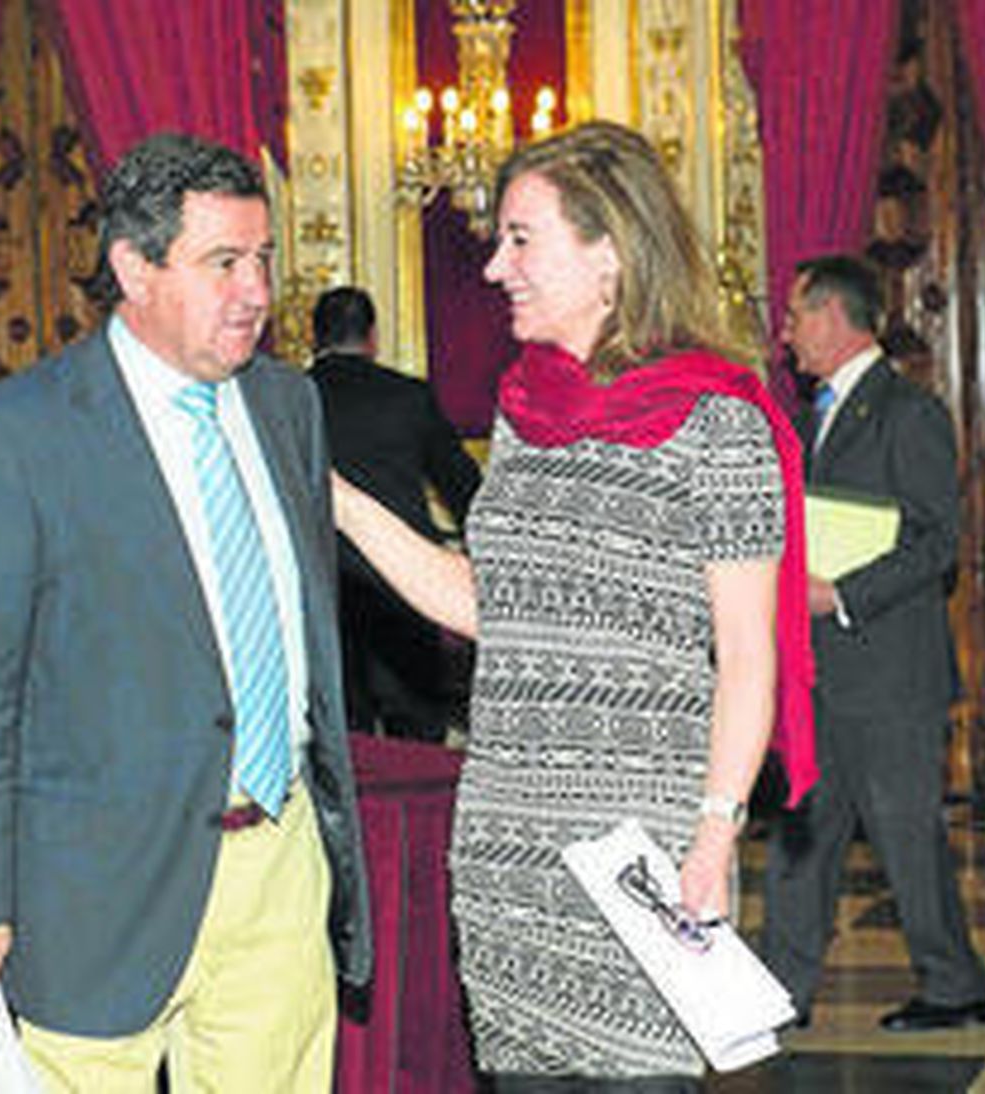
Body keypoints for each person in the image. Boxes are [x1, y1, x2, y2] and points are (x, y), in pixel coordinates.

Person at [332, 120, 817, 1089]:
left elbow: (746, 655)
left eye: (521, 238)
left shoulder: (718, 422)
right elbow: (482, 604)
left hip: (641, 857)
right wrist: (330, 494)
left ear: (608, 252)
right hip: (508, 851)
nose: (492, 268)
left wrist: (715, 834)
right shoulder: (524, 411)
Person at [0, 133, 372, 1091]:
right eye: (223, 263)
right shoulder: (20, 435)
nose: (256, 292)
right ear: (133, 268)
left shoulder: (289, 407)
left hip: (278, 865)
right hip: (92, 895)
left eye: (263, 260)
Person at [760, 254, 985, 1032]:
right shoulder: (803, 418)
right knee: (802, 837)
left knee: (906, 841)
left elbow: (936, 542)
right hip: (815, 671)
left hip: (891, 676)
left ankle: (955, 986)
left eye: (795, 317)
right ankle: (779, 993)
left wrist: (842, 595)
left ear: (833, 317)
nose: (786, 336)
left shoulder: (909, 411)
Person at [309, 286, 480, 741]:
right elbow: (463, 489)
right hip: (406, 591)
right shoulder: (408, 397)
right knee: (418, 749)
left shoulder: (291, 400)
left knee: (342, 750)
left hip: (323, 595)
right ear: (372, 337)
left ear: (314, 337)